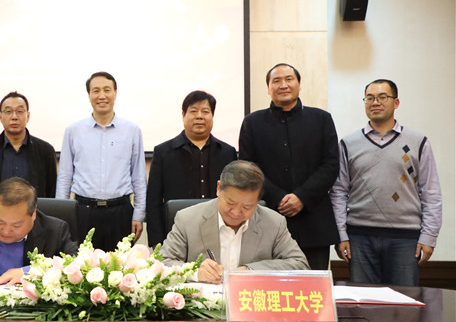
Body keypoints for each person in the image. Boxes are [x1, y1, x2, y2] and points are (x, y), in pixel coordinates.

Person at [331, 79, 442, 286]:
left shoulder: (418, 141)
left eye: (382, 97)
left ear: (396, 102)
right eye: (370, 98)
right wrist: (341, 235)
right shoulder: (348, 144)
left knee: (404, 299)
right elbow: (338, 192)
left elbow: (431, 192)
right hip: (359, 237)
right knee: (364, 299)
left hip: (405, 238)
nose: (375, 102)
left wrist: (429, 236)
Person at [238, 63, 339, 270]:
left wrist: (301, 197)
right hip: (268, 219)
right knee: (268, 283)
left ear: (299, 85)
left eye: (289, 79)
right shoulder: (252, 122)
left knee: (313, 284)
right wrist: (278, 197)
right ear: (268, 88)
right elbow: (247, 168)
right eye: (276, 81)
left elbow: (330, 165)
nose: (283, 85)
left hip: (314, 221)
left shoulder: (321, 119)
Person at [161, 160, 309, 284]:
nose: (237, 212)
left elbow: (300, 264)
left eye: (247, 207)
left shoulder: (274, 223)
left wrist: (249, 271)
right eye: (230, 203)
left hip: (251, 303)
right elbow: (162, 263)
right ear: (219, 188)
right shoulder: (188, 219)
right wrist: (195, 272)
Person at [56, 71, 146, 250]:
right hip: (83, 212)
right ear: (89, 95)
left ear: (115, 93)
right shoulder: (74, 131)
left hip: (120, 213)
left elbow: (139, 177)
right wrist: (61, 216)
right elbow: (65, 176)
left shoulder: (132, 130)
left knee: (120, 265)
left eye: (107, 90)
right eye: (96, 91)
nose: (102, 96)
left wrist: (139, 215)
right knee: (81, 265)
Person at [146, 90, 237, 247]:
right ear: (183, 115)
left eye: (205, 112)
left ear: (212, 116)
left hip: (219, 232)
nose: (199, 116)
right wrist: (157, 241)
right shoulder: (163, 152)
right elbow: (153, 201)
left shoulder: (227, 152)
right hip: (175, 233)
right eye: (193, 111)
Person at [0, 91, 57, 198]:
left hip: (35, 209)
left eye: (20, 111)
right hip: (0, 209)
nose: (14, 117)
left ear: (28, 116)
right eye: (8, 111)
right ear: (0, 117)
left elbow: (50, 193)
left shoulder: (45, 151)